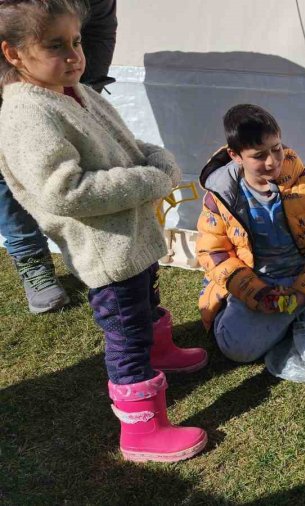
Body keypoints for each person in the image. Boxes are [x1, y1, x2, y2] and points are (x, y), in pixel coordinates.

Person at [0, 0, 208, 463]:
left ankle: (162, 351)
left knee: (145, 299)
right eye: (56, 45)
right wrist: (152, 178)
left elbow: (123, 144)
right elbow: (64, 190)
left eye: (76, 41)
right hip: (103, 248)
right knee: (125, 334)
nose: (75, 54)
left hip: (129, 238)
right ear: (13, 54)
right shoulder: (27, 114)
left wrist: (156, 158)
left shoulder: (69, 89)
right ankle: (141, 430)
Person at [195, 104, 305, 362]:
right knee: (236, 347)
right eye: (259, 155)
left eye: (277, 148)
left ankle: (287, 316)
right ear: (235, 155)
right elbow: (213, 252)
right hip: (257, 278)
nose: (272, 161)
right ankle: (276, 316)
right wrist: (258, 294)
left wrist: (303, 290)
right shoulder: (220, 196)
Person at [0, 0, 117, 314]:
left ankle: (96, 252)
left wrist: (82, 84)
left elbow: (100, 30)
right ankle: (32, 261)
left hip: (61, 81)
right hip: (11, 81)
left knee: (82, 166)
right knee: (8, 173)